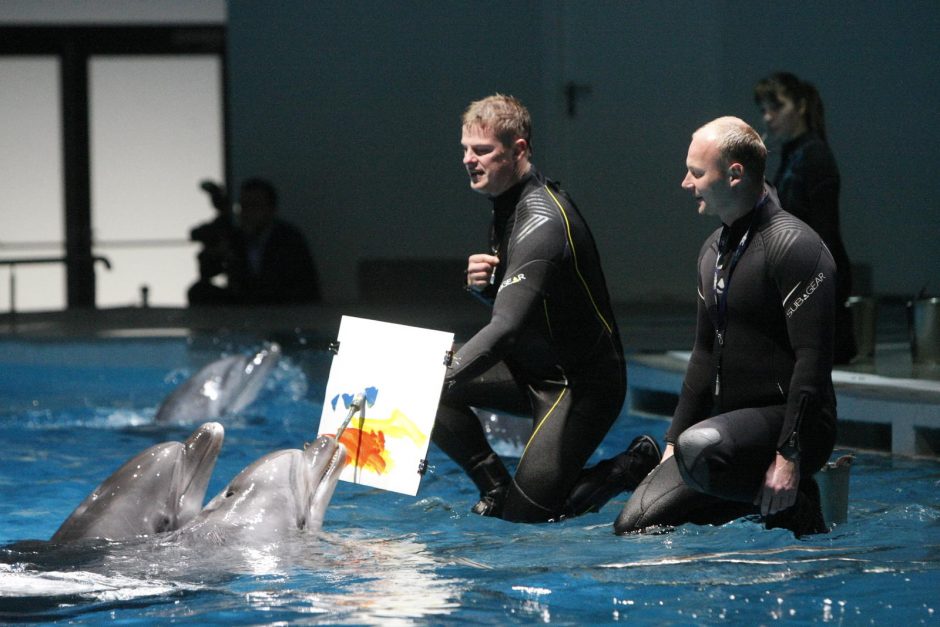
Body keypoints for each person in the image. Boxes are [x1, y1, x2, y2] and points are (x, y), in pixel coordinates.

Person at [431, 94, 660, 523]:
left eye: (482, 150)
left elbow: (505, 330)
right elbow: (533, 306)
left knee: (529, 522)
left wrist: (428, 379)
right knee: (428, 382)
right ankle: (497, 488)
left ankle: (628, 467)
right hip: (532, 370)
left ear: (519, 150)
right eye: (464, 148)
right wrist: (487, 289)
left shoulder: (543, 221)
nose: (468, 159)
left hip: (580, 387)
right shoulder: (505, 203)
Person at [615, 117, 837, 538]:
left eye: (696, 172)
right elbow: (702, 355)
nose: (685, 183)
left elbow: (814, 360)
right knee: (636, 524)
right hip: (731, 434)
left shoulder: (794, 246)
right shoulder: (713, 252)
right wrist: (671, 444)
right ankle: (753, 498)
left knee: (700, 449)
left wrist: (789, 454)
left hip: (795, 427)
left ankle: (798, 503)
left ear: (735, 174)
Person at [754, 72, 856, 364]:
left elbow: (824, 232)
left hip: (815, 283)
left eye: (777, 107)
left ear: (800, 106)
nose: (769, 118)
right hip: (801, 278)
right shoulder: (793, 155)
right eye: (764, 110)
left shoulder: (814, 156)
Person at [187, 177, 321, 306]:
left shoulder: (288, 238)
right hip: (244, 304)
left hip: (280, 305)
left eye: (254, 205)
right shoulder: (235, 237)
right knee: (199, 291)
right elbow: (207, 272)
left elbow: (302, 284)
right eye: (243, 206)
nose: (247, 212)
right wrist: (216, 252)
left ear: (271, 209)